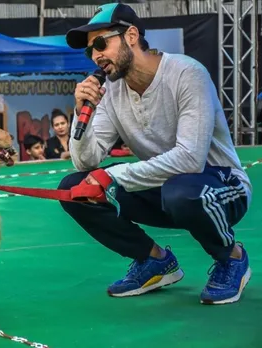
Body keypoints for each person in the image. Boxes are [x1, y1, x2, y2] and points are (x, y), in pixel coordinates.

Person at [59, 2, 251, 305]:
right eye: (89, 51)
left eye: (100, 43)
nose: (95, 55)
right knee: (74, 189)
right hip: (165, 188)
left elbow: (190, 159)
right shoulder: (111, 92)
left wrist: (110, 175)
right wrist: (80, 110)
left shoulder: (187, 73)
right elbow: (86, 161)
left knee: (181, 190)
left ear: (132, 35)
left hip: (222, 187)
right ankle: (154, 261)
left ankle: (232, 256)